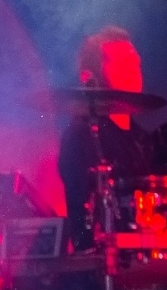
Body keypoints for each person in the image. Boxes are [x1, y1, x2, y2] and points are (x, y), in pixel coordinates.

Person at [56, 26, 153, 247]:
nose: (134, 71)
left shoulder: (145, 140)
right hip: (104, 260)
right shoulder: (82, 137)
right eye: (122, 64)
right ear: (89, 77)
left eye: (136, 64)